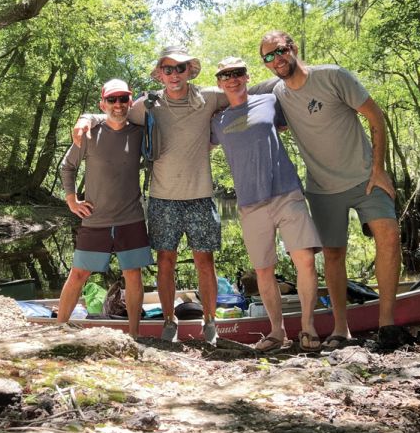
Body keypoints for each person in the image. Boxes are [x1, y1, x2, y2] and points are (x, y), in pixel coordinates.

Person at [73, 47, 273, 344]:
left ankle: (209, 321)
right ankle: (169, 321)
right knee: (165, 260)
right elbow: (115, 112)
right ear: (160, 74)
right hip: (162, 198)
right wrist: (86, 117)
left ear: (189, 71)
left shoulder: (209, 97)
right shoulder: (149, 104)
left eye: (180, 68)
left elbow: (244, 90)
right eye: (168, 69)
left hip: (201, 197)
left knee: (205, 261)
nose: (174, 74)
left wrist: (289, 81)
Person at [259, 30, 404, 350]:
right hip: (323, 189)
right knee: (334, 255)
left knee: (389, 236)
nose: (277, 59)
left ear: (293, 48)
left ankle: (387, 325)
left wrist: (379, 168)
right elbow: (235, 93)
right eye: (268, 56)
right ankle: (342, 329)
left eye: (280, 51)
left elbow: (376, 117)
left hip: (366, 177)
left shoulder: (333, 76)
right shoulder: (277, 93)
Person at [210, 57, 322, 353]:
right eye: (225, 75)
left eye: (237, 73)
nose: (232, 79)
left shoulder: (269, 102)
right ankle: (277, 331)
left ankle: (308, 327)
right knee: (263, 270)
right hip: (250, 204)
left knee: (306, 261)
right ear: (219, 82)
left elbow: (297, 100)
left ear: (247, 77)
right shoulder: (216, 121)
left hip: (286, 192)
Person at [58, 79, 154, 338]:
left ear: (130, 102)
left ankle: (135, 335)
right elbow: (67, 167)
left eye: (123, 99)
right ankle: (58, 329)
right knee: (79, 273)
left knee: (133, 275)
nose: (118, 105)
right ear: (103, 104)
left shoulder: (139, 132)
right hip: (95, 219)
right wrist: (71, 200)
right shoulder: (88, 134)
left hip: (131, 218)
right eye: (112, 100)